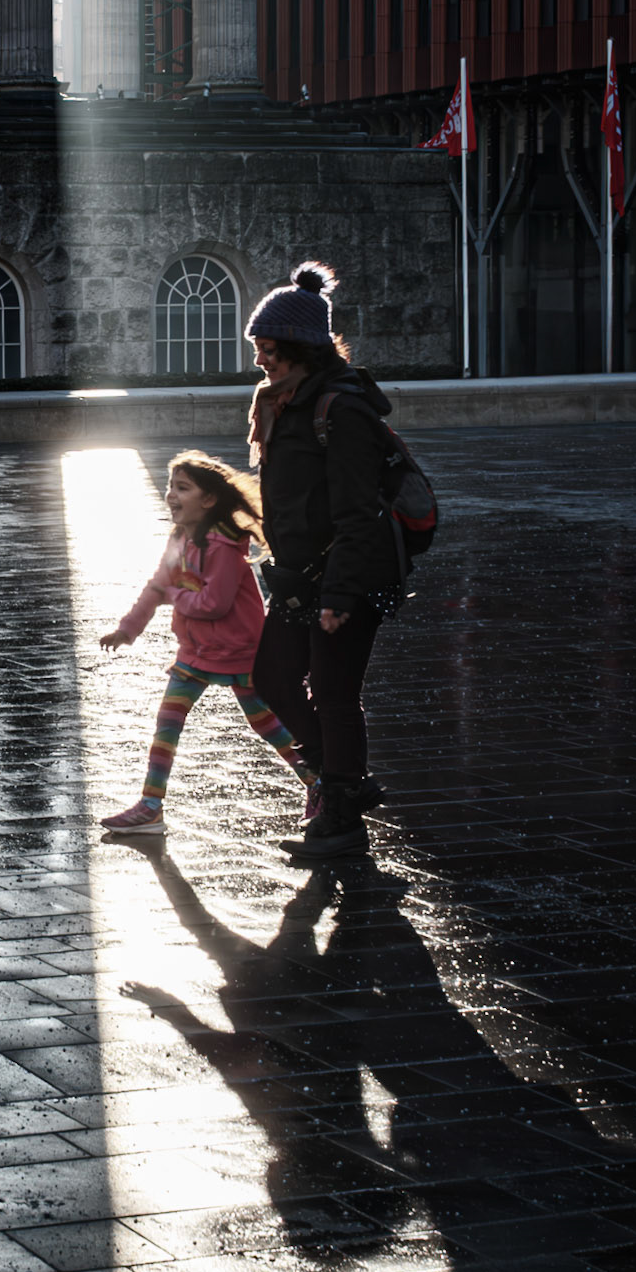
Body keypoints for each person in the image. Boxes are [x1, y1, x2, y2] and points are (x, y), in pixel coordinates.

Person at [246, 262, 401, 857]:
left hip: (347, 579)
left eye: (267, 348)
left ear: (300, 347)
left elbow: (358, 513)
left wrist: (339, 596)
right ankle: (340, 785)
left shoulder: (342, 409)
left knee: (334, 692)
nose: (260, 359)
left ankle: (339, 816)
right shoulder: (282, 402)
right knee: (272, 679)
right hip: (297, 577)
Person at [96, 451, 312, 835]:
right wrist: (128, 629)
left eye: (183, 488)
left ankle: (318, 782)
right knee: (168, 723)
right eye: (170, 487)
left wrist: (176, 596)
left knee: (267, 725)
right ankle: (150, 806)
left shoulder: (227, 547)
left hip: (238, 653)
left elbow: (213, 604)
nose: (171, 495)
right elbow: (158, 585)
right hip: (194, 654)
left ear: (209, 499)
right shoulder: (179, 537)